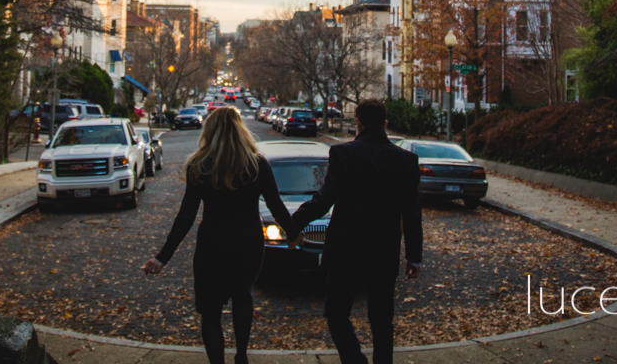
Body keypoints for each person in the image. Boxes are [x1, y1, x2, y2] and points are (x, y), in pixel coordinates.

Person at [143, 107, 296, 364]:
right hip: (248, 243)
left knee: (211, 312)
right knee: (242, 296)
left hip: (212, 245)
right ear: (240, 130)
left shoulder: (199, 166)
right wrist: (293, 233)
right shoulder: (257, 164)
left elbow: (186, 216)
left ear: (210, 131)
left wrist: (163, 257)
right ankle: (242, 357)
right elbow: (276, 205)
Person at [290, 98, 422, 364]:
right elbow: (411, 212)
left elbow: (324, 199)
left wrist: (292, 224)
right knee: (382, 319)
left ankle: (354, 360)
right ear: (385, 124)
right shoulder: (406, 160)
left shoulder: (343, 154)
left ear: (358, 123)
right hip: (384, 250)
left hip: (345, 250)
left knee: (337, 313)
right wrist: (414, 256)